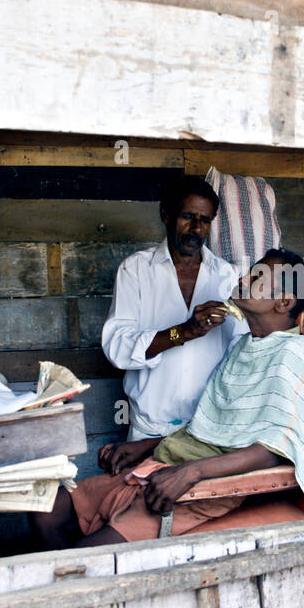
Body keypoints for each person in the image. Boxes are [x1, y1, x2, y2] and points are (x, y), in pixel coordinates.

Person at [34, 249, 304, 548]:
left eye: (258, 277)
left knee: (87, 554)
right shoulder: (245, 347)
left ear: (283, 302)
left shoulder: (292, 354)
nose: (245, 278)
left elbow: (275, 447)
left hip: (204, 485)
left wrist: (191, 472)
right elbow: (211, 428)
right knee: (45, 510)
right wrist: (144, 447)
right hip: (171, 460)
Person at [100, 176, 247, 444]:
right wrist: (185, 331)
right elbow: (117, 347)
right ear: (166, 215)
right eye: (187, 217)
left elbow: (242, 350)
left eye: (205, 220)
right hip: (149, 430)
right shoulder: (135, 270)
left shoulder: (227, 275)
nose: (196, 228)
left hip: (210, 431)